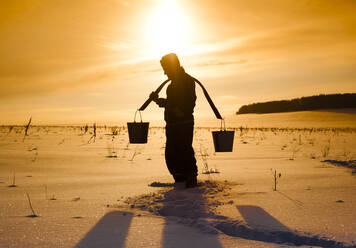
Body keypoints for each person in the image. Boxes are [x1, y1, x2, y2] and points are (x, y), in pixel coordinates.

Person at [150, 53, 198, 188]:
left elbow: (187, 105)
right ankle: (180, 179)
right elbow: (171, 103)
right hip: (172, 124)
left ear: (173, 66)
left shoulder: (187, 81)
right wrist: (157, 100)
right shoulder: (172, 84)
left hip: (183, 123)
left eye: (166, 68)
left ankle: (190, 178)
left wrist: (173, 108)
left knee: (184, 150)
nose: (165, 73)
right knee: (171, 153)